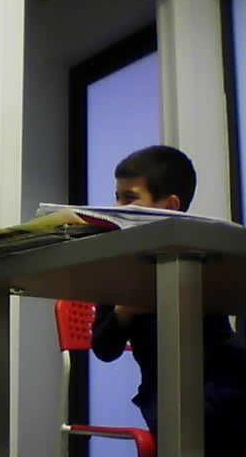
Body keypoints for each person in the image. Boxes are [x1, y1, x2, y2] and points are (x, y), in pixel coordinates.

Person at [91, 144, 246, 455]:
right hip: (163, 388)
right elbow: (104, 349)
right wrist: (125, 309)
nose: (118, 207)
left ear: (170, 205)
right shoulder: (119, 265)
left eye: (130, 199)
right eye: (117, 197)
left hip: (225, 375)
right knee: (195, 421)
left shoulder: (202, 255)